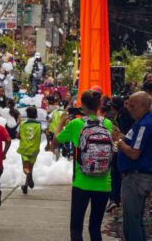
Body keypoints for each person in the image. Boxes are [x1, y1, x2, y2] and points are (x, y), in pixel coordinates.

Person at [52, 90, 113, 241]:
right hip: (104, 183)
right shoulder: (107, 123)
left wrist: (61, 122)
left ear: (82, 105)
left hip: (81, 182)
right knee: (95, 228)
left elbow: (55, 142)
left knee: (76, 227)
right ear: (99, 105)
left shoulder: (76, 124)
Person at [113, 91, 152, 241]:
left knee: (132, 220)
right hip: (137, 177)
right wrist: (122, 137)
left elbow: (134, 153)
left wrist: (118, 141)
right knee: (135, 219)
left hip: (136, 177)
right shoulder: (141, 122)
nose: (129, 108)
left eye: (132, 106)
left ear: (143, 106)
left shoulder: (144, 124)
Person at [105, 96, 135, 213]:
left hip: (122, 148)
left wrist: (116, 132)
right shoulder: (120, 114)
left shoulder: (123, 115)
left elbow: (124, 134)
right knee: (117, 174)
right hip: (120, 148)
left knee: (117, 174)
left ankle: (115, 199)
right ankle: (115, 199)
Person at [17, 106, 42, 194]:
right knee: (30, 168)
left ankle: (28, 174)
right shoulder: (39, 125)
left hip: (24, 149)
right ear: (36, 115)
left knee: (25, 168)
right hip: (34, 150)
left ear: (27, 115)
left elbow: (17, 135)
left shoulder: (22, 124)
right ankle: (25, 186)